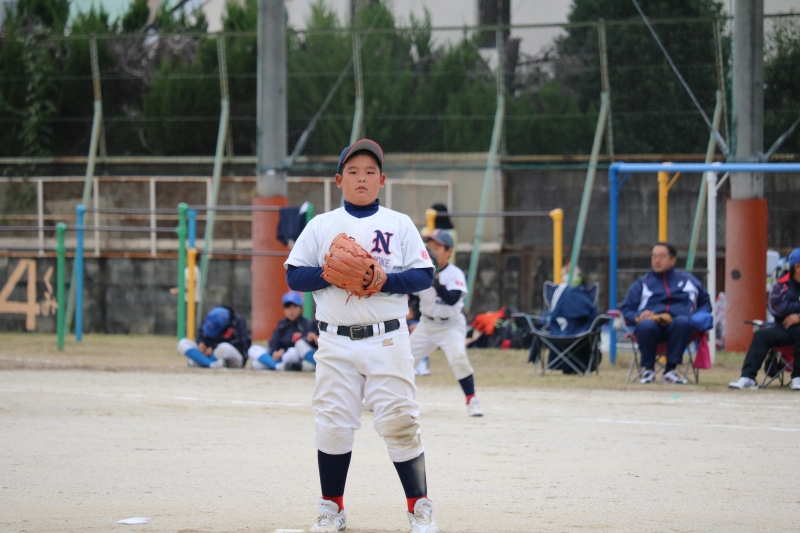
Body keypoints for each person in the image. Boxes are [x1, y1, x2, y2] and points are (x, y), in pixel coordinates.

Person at [284, 139, 440, 533]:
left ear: (382, 180)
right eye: (353, 172)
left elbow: (424, 275)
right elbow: (294, 275)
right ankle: (331, 510)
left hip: (387, 339)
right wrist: (332, 273)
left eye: (370, 172)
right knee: (333, 424)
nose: (361, 178)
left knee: (400, 421)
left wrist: (384, 280)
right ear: (339, 180)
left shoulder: (399, 223)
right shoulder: (321, 225)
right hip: (335, 341)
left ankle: (419, 509)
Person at [410, 229, 483, 416]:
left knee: (458, 358)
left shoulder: (454, 274)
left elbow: (452, 299)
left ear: (449, 251)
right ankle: (385, 399)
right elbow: (412, 297)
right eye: (429, 247)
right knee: (405, 361)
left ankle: (472, 400)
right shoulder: (423, 271)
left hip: (450, 325)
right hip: (427, 325)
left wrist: (436, 283)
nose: (432, 252)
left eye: (437, 248)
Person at [620, 242, 711, 384]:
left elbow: (705, 303)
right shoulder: (642, 283)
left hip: (679, 327)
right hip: (651, 328)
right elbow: (626, 309)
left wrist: (697, 317)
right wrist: (638, 317)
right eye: (654, 257)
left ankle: (670, 371)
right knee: (646, 325)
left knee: (682, 322)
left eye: (661, 257)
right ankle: (648, 370)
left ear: (673, 260)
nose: (657, 260)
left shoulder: (688, 281)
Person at [729, 247, 800, 391]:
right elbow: (778, 308)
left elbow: (788, 307)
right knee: (762, 335)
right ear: (797, 267)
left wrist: (798, 316)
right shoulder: (782, 284)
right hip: (786, 328)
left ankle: (798, 377)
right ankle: (748, 378)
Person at [249, 291, 318, 371]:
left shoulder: (306, 324)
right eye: (288, 307)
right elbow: (274, 341)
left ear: (301, 308)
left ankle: (274, 365)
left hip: (292, 357)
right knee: (253, 350)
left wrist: (284, 351)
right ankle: (278, 366)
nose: (291, 311)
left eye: (294, 307)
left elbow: (308, 345)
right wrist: (275, 352)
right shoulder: (281, 324)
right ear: (284, 309)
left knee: (293, 351)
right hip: (279, 357)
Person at [177, 306, 251, 368]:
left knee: (224, 347)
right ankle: (211, 364)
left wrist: (213, 348)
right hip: (209, 355)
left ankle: (201, 362)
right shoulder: (210, 317)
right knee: (182, 343)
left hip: (231, 357)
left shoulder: (238, 322)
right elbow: (201, 335)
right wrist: (200, 343)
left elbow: (242, 345)